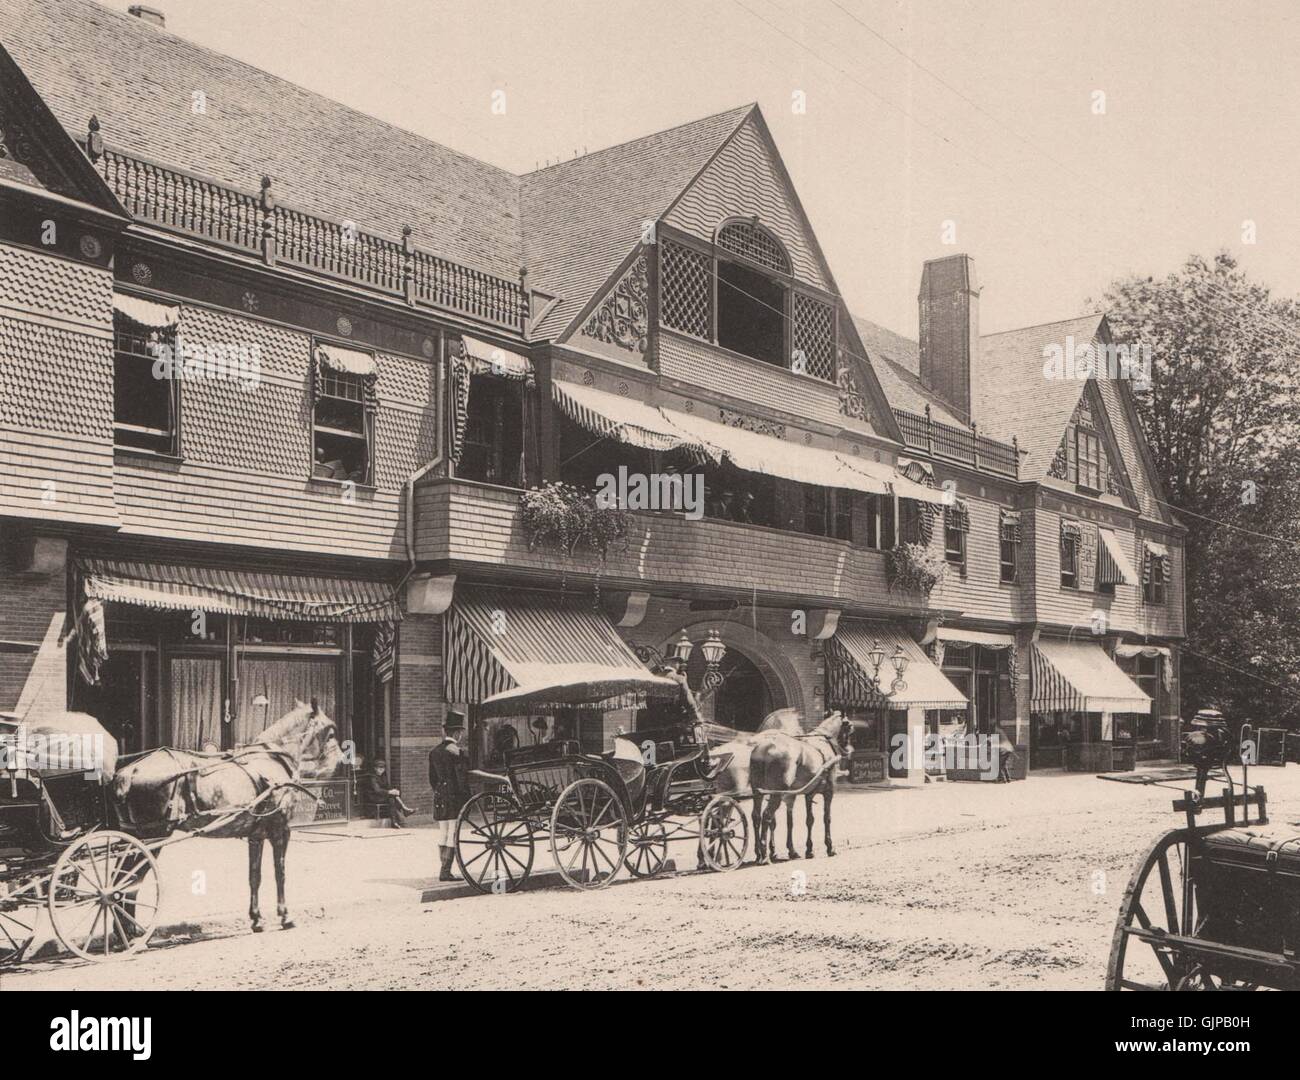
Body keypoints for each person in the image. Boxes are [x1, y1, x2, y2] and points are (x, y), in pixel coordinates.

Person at [428, 715, 471, 881]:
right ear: (457, 733)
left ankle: (444, 870)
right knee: (453, 832)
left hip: (440, 795)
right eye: (460, 732)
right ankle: (445, 871)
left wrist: (439, 790)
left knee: (443, 832)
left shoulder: (434, 752)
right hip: (454, 796)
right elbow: (463, 775)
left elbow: (432, 778)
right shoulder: (456, 752)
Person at [358, 758, 413, 827]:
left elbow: (388, 786)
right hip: (373, 797)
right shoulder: (372, 777)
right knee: (392, 799)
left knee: (391, 800)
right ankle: (404, 810)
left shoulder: (383, 776)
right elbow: (377, 790)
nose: (381, 770)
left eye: (383, 768)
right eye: (379, 768)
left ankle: (395, 822)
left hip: (381, 795)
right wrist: (390, 792)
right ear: (375, 768)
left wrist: (394, 791)